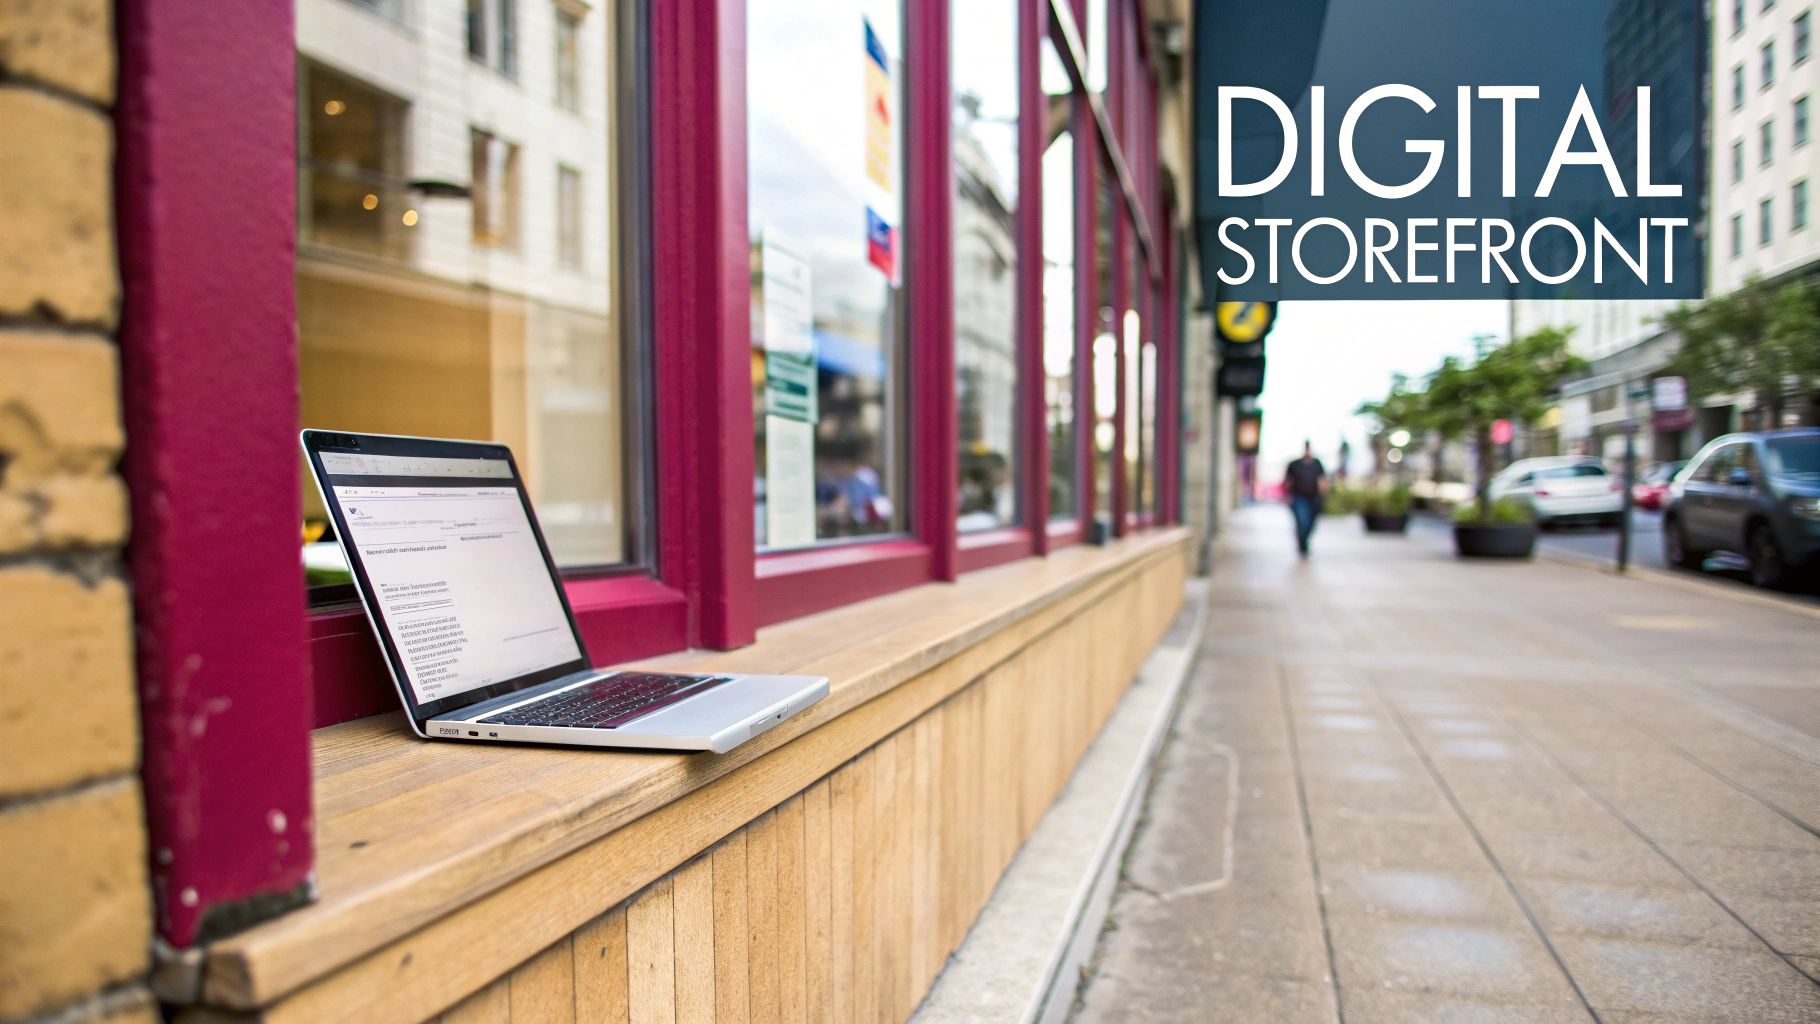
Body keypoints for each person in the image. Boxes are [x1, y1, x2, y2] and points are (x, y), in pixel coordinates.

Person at [1283, 442, 1328, 557]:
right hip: (1299, 497)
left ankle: (1304, 542)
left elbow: (1322, 480)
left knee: (1311, 523)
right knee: (1302, 521)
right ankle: (1302, 546)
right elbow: (1288, 481)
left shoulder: (1317, 464)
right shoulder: (1294, 465)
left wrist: (1323, 495)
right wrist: (1287, 496)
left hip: (1313, 497)